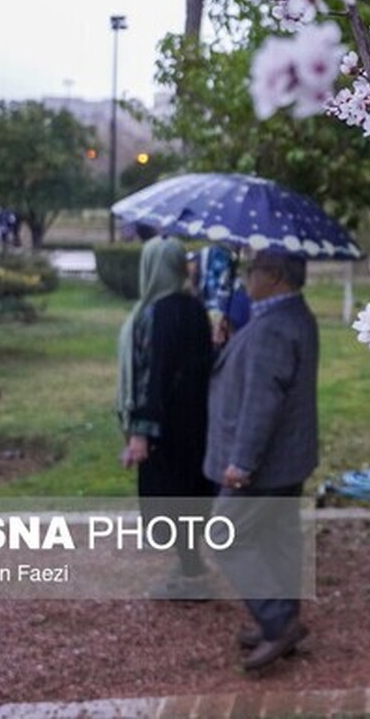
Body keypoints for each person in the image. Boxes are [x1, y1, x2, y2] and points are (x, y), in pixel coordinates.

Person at [204, 249, 319, 671]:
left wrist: (242, 464)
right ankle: (283, 618)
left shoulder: (274, 326)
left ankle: (277, 622)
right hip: (290, 457)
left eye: (252, 271)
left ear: (274, 276)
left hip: (265, 463)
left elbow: (261, 402)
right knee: (277, 538)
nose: (246, 279)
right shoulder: (291, 316)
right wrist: (231, 344)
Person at [115, 236, 216, 599]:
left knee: (168, 501)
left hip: (164, 426)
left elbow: (151, 375)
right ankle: (192, 568)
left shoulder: (154, 313)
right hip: (196, 422)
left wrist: (140, 432)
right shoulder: (195, 308)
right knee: (189, 497)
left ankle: (194, 578)